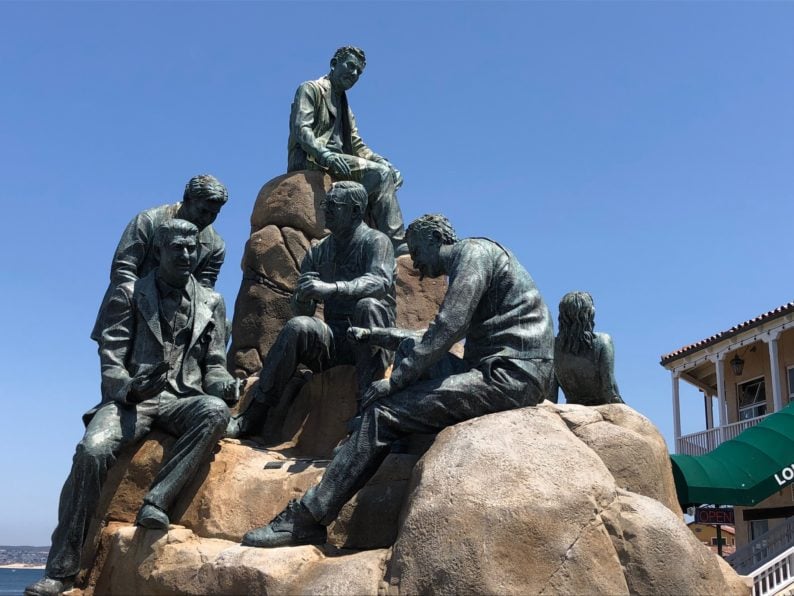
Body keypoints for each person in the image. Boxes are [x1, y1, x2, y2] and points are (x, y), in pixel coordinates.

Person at [240, 214, 554, 548]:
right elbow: (429, 337)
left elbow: (448, 327)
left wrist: (394, 382)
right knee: (407, 350)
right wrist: (378, 335)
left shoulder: (473, 255)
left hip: (509, 375)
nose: (414, 261)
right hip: (501, 368)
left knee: (382, 415)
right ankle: (389, 439)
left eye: (416, 250)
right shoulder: (476, 257)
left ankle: (307, 519)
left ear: (436, 238)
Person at [26, 220, 238, 596]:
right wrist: (129, 388)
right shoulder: (127, 293)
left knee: (215, 411)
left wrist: (223, 384)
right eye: (178, 248)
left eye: (192, 249)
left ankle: (156, 501)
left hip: (182, 399)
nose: (187, 255)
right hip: (131, 402)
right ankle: (61, 571)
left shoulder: (212, 302)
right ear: (158, 251)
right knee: (90, 452)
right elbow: (111, 362)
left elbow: (215, 363)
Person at [226, 181, 396, 439]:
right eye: (325, 205)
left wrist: (332, 288)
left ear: (355, 210)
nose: (325, 211)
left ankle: (369, 412)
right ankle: (254, 415)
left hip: (372, 341)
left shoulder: (376, 241)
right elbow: (301, 308)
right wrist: (303, 298)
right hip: (336, 341)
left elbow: (380, 282)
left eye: (333, 206)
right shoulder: (320, 249)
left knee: (368, 306)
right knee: (298, 327)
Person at [287, 46, 407, 256]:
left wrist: (384, 161)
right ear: (334, 63)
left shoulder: (345, 105)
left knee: (384, 172)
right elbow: (301, 129)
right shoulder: (310, 89)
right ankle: (396, 243)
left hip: (341, 161)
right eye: (350, 66)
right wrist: (326, 155)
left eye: (359, 72)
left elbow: (357, 145)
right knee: (380, 175)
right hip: (311, 158)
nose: (354, 74)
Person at [90, 174, 229, 343]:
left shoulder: (216, 245)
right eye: (202, 211)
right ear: (187, 199)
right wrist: (152, 304)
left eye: (214, 214)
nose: (206, 218)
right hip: (131, 309)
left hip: (177, 318)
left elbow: (205, 288)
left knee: (220, 325)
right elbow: (123, 269)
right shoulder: (148, 221)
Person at [551, 291, 623, 405]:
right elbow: (609, 388)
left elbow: (551, 394)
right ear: (589, 313)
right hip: (601, 407)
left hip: (572, 408)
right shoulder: (603, 341)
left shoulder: (553, 346)